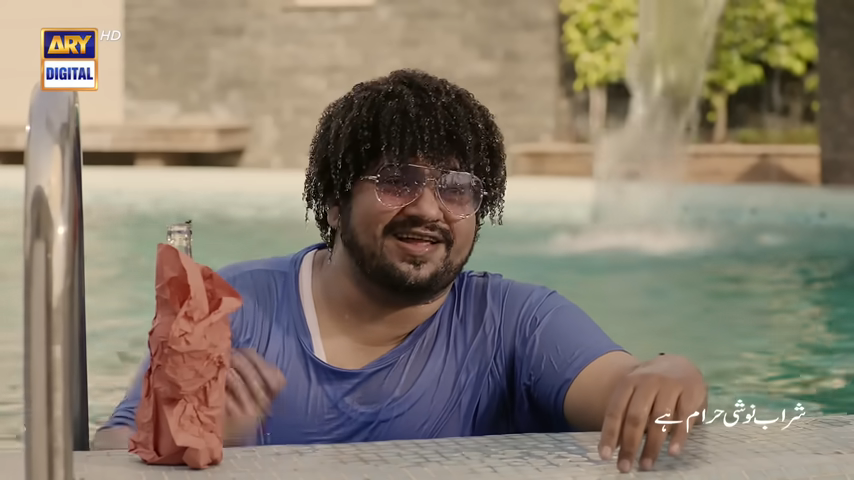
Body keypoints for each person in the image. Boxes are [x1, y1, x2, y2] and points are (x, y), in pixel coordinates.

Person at [93, 69, 707, 473]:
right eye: (396, 181)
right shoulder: (236, 307)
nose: (429, 210)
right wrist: (193, 439)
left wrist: (670, 376)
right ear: (334, 202)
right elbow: (112, 448)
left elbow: (634, 396)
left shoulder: (516, 323)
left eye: (457, 188)